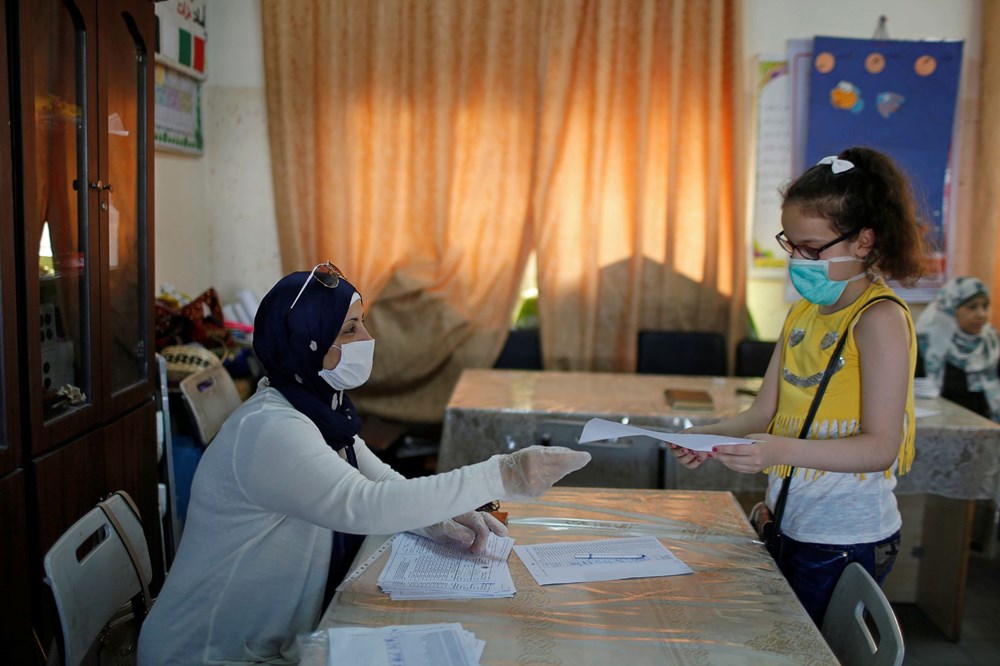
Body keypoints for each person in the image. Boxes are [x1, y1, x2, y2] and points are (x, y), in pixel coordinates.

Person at [138, 263, 590, 665]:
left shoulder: (319, 409)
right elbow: (365, 504)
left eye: (362, 323)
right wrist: (503, 475)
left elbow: (382, 479)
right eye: (350, 329)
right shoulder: (272, 429)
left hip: (264, 641)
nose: (368, 339)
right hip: (206, 651)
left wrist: (439, 520)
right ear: (307, 342)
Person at [670, 147, 926, 625]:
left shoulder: (879, 319)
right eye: (791, 245)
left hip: (845, 537)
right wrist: (708, 436)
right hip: (790, 521)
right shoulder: (802, 313)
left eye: (812, 248)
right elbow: (762, 412)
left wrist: (777, 452)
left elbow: (880, 448)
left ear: (864, 240)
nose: (798, 259)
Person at [915, 276, 999, 422]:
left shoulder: (992, 342)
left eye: (985, 306)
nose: (982, 314)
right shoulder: (925, 344)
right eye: (972, 307)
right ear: (951, 309)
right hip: (940, 430)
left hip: (989, 432)